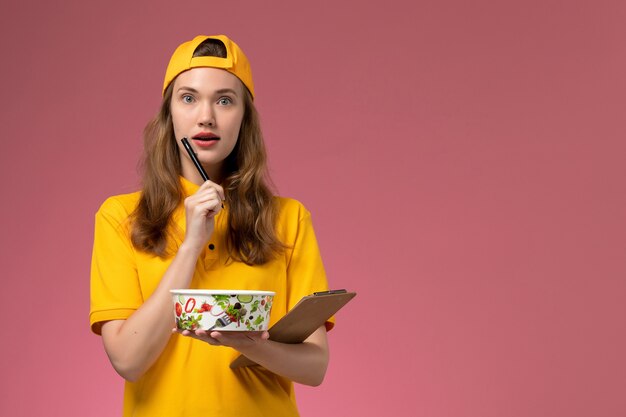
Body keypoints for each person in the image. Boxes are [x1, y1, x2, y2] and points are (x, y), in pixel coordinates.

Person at [89, 34, 333, 417]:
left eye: (224, 100)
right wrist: (191, 246)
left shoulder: (289, 219)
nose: (206, 116)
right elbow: (128, 361)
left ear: (244, 117)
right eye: (188, 98)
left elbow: (315, 367)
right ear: (169, 114)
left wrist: (249, 345)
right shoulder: (120, 217)